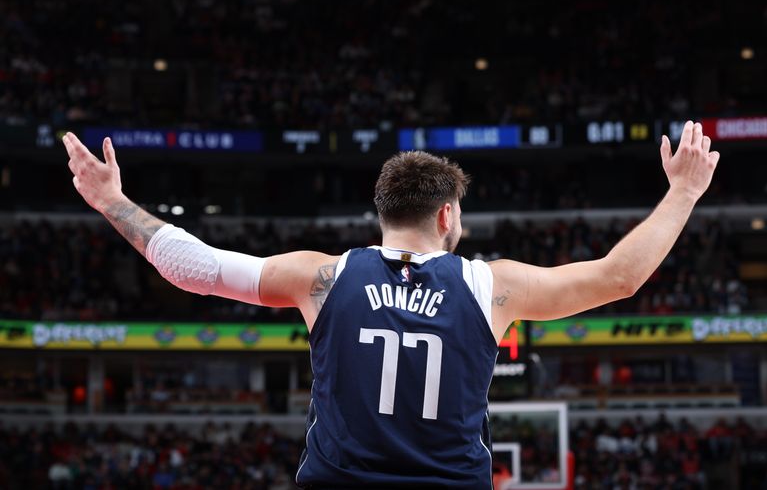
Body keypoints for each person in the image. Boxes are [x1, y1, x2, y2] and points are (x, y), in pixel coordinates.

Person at [62, 120, 719, 489]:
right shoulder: (491, 285)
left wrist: (110, 201)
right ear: (448, 214)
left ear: (383, 214)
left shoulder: (322, 277)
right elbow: (620, 277)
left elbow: (196, 268)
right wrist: (684, 192)